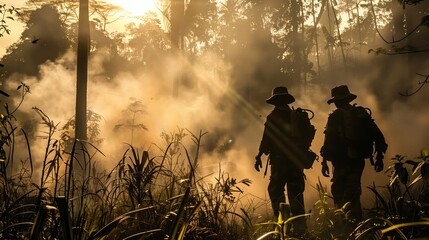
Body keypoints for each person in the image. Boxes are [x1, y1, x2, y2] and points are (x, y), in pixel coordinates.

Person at [320, 85, 388, 226]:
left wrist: (324, 162)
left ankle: (346, 224)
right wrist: (379, 156)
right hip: (357, 159)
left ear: (336, 101)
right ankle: (355, 223)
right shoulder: (360, 114)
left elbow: (328, 142)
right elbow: (378, 135)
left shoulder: (335, 117)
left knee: (339, 191)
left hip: (341, 161)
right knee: (353, 190)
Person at [255, 86, 311, 236]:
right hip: (295, 162)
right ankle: (300, 230)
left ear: (275, 101)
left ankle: (284, 227)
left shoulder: (273, 117)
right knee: (296, 194)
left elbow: (266, 138)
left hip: (280, 163)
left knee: (275, 191)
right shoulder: (296, 116)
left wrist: (259, 156)